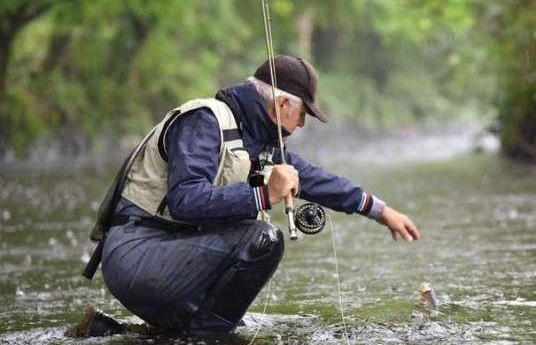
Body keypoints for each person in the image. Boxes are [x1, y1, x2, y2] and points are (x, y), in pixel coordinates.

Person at [81, 55, 421, 334]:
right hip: (136, 254)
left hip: (172, 258)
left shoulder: (260, 141)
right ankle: (208, 337)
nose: (302, 124)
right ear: (284, 102)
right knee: (263, 240)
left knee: (228, 318)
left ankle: (121, 332)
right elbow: (186, 200)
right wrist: (263, 194)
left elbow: (318, 181)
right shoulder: (204, 121)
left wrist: (381, 211)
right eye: (303, 114)